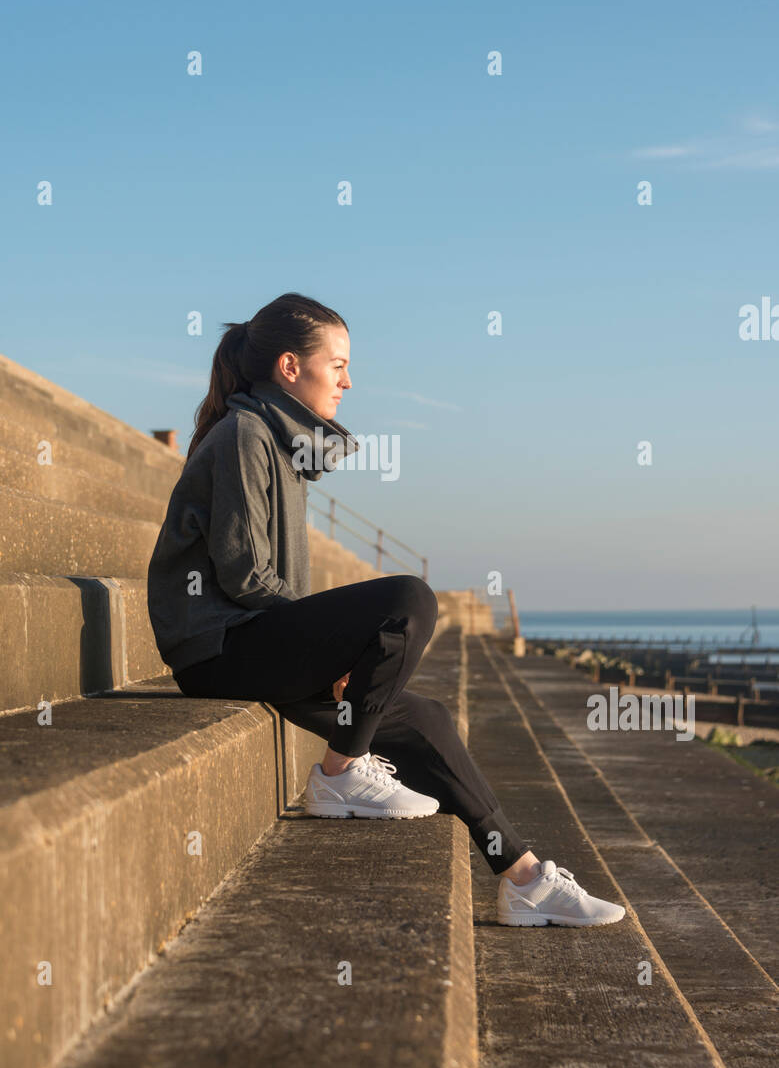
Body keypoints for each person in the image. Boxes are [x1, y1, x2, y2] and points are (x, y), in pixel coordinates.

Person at [146, 292, 626, 927]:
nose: (348, 380)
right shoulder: (245, 435)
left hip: (253, 641)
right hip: (219, 650)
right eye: (337, 363)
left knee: (426, 719)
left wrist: (332, 654)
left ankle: (525, 878)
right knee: (410, 599)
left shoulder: (281, 445)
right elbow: (243, 572)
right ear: (290, 366)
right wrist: (334, 654)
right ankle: (341, 773)